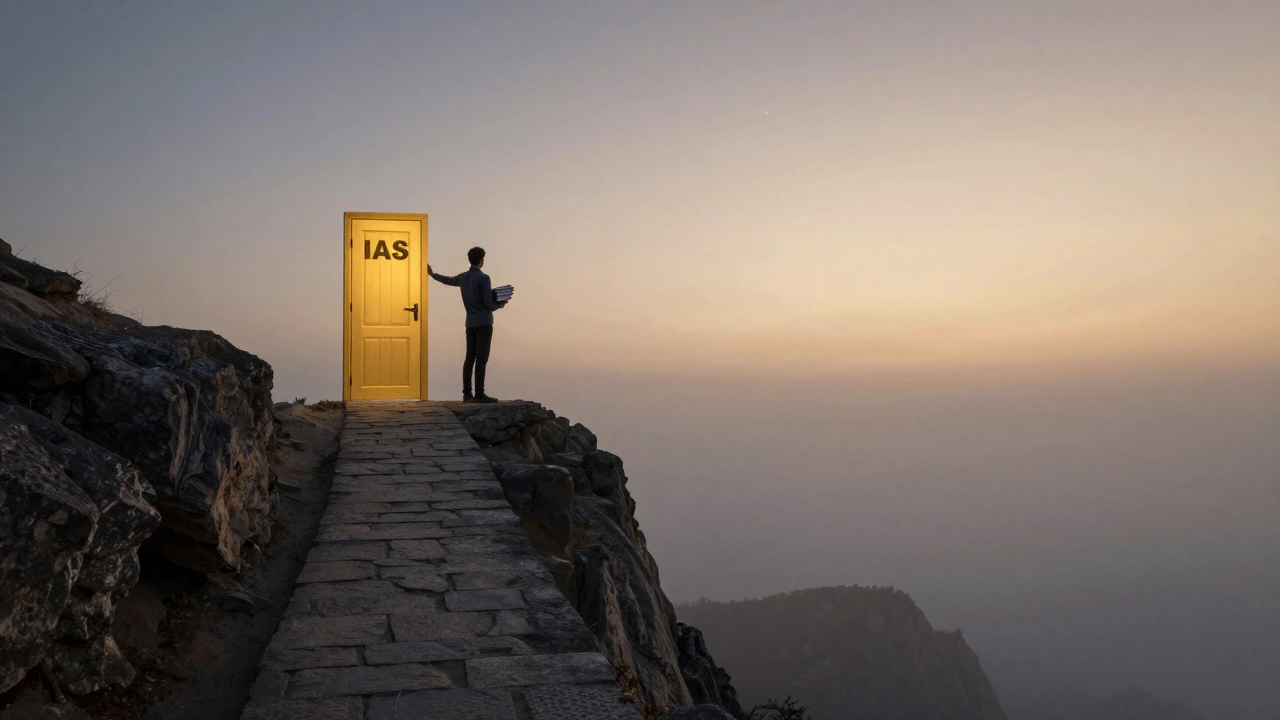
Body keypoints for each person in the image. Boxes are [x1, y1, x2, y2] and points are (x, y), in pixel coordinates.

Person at [428, 246, 507, 403]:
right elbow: (489, 304)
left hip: (470, 323)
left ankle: (467, 393)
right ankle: (479, 393)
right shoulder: (484, 278)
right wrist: (500, 304)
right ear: (481, 260)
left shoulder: (463, 277)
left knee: (469, 357)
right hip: (484, 322)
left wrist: (432, 274)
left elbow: (447, 280)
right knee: (481, 358)